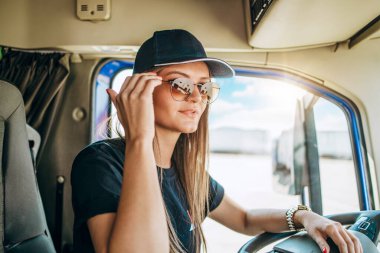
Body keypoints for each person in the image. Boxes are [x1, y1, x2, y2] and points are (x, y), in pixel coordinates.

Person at [71, 29, 363, 253]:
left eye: (204, 87)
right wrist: (140, 138)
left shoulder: (185, 172)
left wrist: (306, 217)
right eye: (180, 84)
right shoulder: (100, 163)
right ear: (139, 89)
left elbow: (246, 219)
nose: (196, 96)